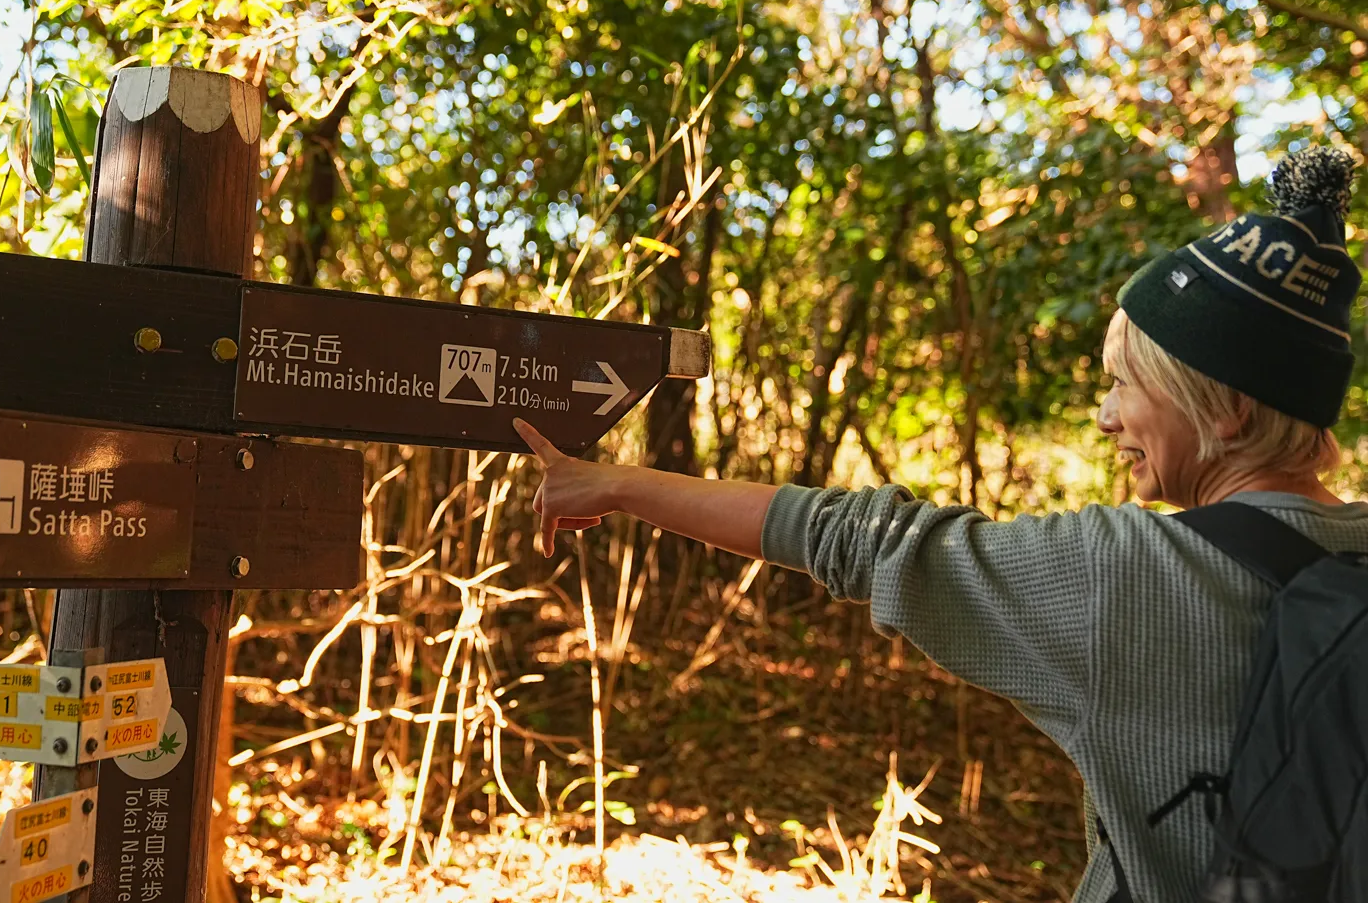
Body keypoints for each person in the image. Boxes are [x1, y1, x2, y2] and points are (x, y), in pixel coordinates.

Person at [513, 144, 1368, 903]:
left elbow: (852, 536)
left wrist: (621, 484)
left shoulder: (1126, 577)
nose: (1107, 417)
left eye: (1127, 382)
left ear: (1228, 412)